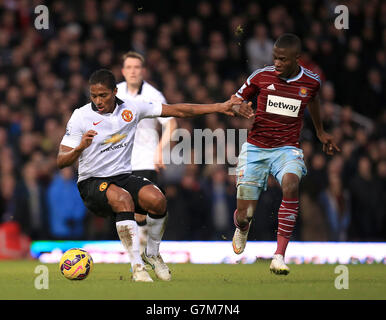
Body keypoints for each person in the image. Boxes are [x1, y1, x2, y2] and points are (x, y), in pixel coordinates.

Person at [57, 69, 253, 282]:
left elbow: (178, 111)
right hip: (92, 183)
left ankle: (152, 253)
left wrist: (219, 106)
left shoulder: (132, 108)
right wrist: (79, 148)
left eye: (103, 95)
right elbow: (61, 160)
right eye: (94, 95)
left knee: (158, 200)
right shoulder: (81, 116)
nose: (98, 100)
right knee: (123, 199)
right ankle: (137, 267)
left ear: (114, 91)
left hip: (122, 177)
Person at [232, 33, 340, 275]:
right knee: (244, 214)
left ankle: (279, 255)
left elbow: (312, 100)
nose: (277, 63)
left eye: (282, 59)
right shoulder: (261, 76)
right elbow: (235, 99)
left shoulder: (312, 81)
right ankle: (242, 226)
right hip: (256, 148)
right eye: (275, 58)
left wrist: (321, 132)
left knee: (291, 184)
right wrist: (241, 108)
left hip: (287, 149)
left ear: (296, 59)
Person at [116, 51, 177, 253]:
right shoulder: (115, 93)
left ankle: (143, 250)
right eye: (129, 67)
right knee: (129, 209)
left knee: (140, 209)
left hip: (145, 160)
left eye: (137, 67)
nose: (133, 71)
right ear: (123, 71)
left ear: (143, 71)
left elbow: (172, 124)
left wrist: (160, 149)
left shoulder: (152, 95)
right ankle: (144, 249)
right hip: (120, 160)